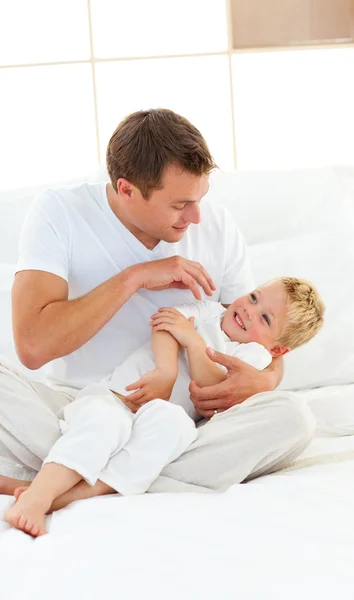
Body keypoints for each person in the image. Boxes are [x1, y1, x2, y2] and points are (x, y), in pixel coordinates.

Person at [0, 108, 315, 505]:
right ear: (126, 189)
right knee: (88, 420)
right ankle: (129, 472)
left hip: (179, 423)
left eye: (201, 198)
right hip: (77, 407)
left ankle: (74, 476)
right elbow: (32, 346)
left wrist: (268, 380)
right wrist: (135, 278)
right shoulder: (60, 213)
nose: (197, 216)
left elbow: (256, 333)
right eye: (180, 204)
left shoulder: (216, 226)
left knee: (294, 419)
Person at [4, 277, 324, 536]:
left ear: (278, 347)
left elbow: (210, 387)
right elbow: (165, 326)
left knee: (177, 425)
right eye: (254, 297)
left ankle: (60, 492)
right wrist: (166, 370)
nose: (249, 311)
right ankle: (40, 496)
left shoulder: (255, 356)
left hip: (157, 422)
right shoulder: (209, 310)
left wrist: (195, 343)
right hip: (115, 398)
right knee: (105, 422)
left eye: (265, 318)